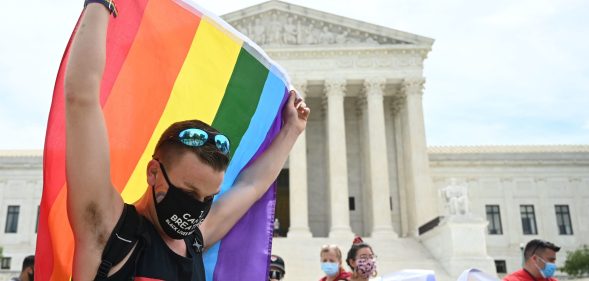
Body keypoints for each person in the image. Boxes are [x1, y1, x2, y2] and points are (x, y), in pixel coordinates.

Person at [64, 1, 310, 280]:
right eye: (190, 193)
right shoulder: (108, 230)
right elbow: (80, 99)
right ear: (153, 172)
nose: (198, 208)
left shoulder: (195, 240)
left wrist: (292, 131)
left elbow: (251, 185)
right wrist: (99, 4)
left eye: (208, 198)